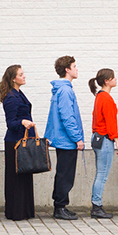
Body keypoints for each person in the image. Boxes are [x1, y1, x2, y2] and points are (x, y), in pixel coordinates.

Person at [44, 55, 84, 221]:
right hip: (67, 141)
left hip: (63, 139)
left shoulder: (61, 89)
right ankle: (59, 208)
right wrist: (77, 138)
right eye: (74, 66)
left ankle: (61, 206)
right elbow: (67, 117)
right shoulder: (66, 90)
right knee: (65, 175)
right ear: (67, 69)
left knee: (63, 174)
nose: (77, 69)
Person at [0, 64, 35, 221]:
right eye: (21, 74)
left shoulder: (19, 94)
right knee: (16, 178)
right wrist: (23, 122)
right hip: (15, 143)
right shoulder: (11, 98)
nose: (24, 76)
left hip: (23, 141)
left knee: (24, 176)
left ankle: (25, 211)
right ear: (13, 78)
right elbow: (11, 123)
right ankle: (16, 212)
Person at [88, 69, 118, 219]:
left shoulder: (99, 97)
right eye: (113, 77)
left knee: (100, 173)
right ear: (107, 81)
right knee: (102, 174)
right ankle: (97, 206)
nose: (115, 79)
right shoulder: (106, 98)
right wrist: (117, 142)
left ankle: (97, 205)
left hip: (97, 138)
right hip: (105, 139)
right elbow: (110, 122)